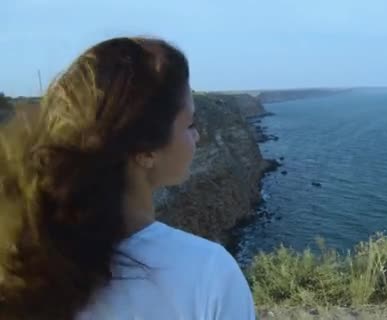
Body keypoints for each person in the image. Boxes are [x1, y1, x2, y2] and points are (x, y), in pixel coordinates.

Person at [0, 37, 256, 320]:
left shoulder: (25, 263)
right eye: (190, 124)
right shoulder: (209, 272)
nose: (198, 136)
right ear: (145, 151)